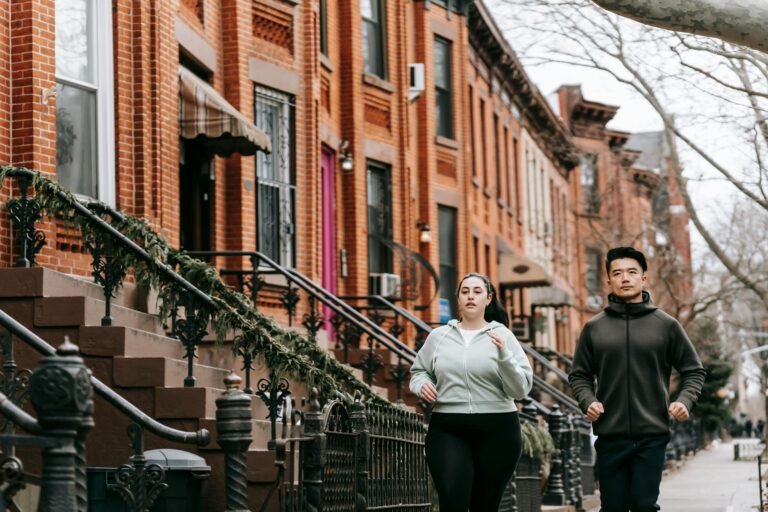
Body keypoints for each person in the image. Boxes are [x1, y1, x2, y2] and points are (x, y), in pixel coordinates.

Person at [569, 247, 706, 512]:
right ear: (609, 280)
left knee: (644, 506)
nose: (625, 278)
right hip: (610, 434)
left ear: (644, 278)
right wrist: (588, 401)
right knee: (613, 508)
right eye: (617, 273)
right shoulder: (594, 327)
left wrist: (685, 401)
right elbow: (579, 374)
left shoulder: (666, 325)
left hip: (652, 435)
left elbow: (693, 370)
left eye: (632, 272)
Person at [409, 272, 533, 512]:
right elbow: (419, 371)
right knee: (452, 502)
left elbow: (520, 389)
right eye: (465, 292)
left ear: (488, 298)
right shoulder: (439, 336)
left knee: (485, 506)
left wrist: (504, 356)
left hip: (498, 429)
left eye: (477, 292)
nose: (470, 296)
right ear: (458, 298)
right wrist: (421, 385)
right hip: (448, 427)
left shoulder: (503, 336)